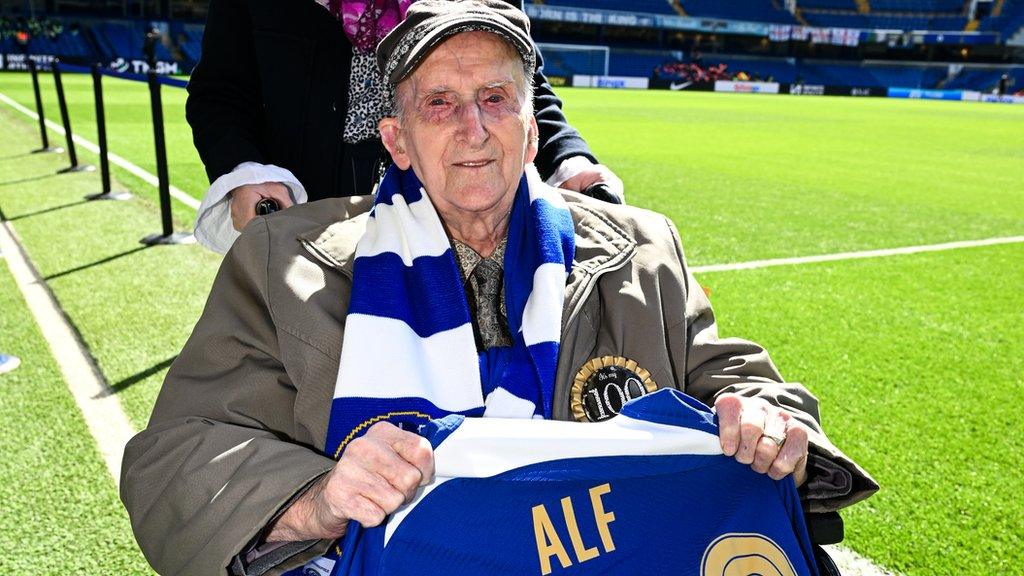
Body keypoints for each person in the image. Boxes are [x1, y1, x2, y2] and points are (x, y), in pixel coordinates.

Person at [122, 2, 877, 574]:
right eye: (439, 104)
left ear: (532, 126)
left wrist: (772, 423)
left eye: (495, 98)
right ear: (397, 140)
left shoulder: (638, 249)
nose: (473, 130)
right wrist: (316, 499)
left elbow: (733, 377)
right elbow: (172, 463)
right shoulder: (286, 265)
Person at [185, 0, 623, 254]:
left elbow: (521, 80)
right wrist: (246, 171)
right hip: (305, 210)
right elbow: (220, 92)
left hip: (447, 207)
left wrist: (569, 157)